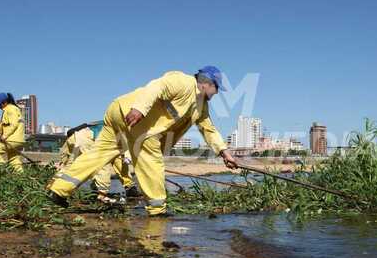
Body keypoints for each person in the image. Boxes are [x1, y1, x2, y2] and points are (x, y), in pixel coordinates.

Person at [47, 66, 239, 216]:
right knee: (151, 160)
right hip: (135, 117)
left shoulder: (200, 106)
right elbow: (156, 87)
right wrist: (139, 109)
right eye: (216, 89)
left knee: (99, 154)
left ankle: (58, 191)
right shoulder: (183, 82)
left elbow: (208, 129)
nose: (216, 94)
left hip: (119, 111)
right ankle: (157, 210)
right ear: (207, 83)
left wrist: (224, 152)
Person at [59, 122, 138, 203]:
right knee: (101, 164)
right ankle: (102, 194)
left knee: (70, 166)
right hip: (86, 139)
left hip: (75, 138)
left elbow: (119, 158)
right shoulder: (116, 127)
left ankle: (56, 189)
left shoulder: (112, 125)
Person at [0, 93, 25, 173]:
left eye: (0, 105)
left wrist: (5, 135)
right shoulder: (12, 109)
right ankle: (21, 177)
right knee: (14, 160)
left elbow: (13, 124)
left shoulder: (10, 109)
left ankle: (4, 171)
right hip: (19, 140)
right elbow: (4, 125)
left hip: (12, 139)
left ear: (4, 102)